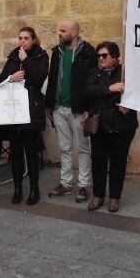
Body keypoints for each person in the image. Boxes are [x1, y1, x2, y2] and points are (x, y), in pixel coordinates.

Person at [45, 19, 96, 203]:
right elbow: (52, 79)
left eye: (62, 30)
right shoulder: (57, 53)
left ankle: (83, 185)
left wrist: (89, 110)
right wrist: (49, 104)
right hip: (60, 108)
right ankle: (66, 183)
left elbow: (92, 82)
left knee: (83, 148)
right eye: (59, 29)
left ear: (73, 32)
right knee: (64, 148)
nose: (59, 33)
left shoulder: (88, 53)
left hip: (79, 110)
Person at [84, 42, 138, 213]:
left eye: (104, 55)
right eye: (98, 55)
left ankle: (115, 197)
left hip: (122, 126)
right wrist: (109, 88)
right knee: (98, 161)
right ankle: (98, 195)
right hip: (100, 126)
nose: (100, 58)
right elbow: (88, 90)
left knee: (118, 163)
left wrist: (130, 106)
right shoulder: (94, 72)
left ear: (115, 57)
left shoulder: (126, 74)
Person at [0, 27, 49, 205]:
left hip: (31, 110)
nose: (22, 41)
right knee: (16, 152)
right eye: (20, 38)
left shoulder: (41, 56)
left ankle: (34, 189)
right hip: (14, 110)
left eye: (26, 38)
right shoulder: (13, 56)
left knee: (31, 152)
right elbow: (1, 80)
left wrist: (26, 61)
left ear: (33, 39)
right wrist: (11, 78)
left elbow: (39, 79)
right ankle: (17, 188)